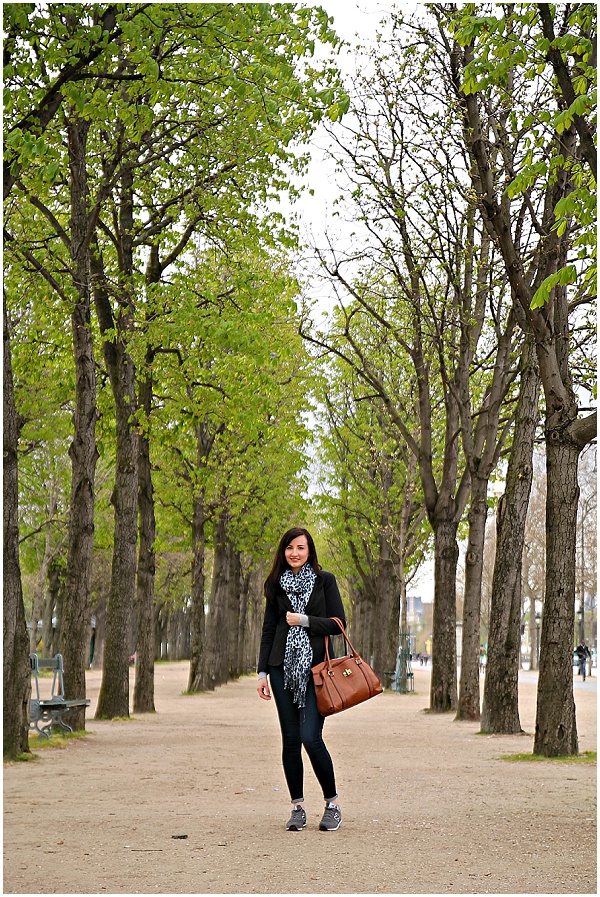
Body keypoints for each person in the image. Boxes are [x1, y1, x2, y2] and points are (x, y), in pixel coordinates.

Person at [257, 526, 346, 832]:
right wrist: (262, 672)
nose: (294, 553)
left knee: (311, 736)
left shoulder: (325, 581)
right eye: (289, 548)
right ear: (283, 552)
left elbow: (338, 624)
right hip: (282, 668)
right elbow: (269, 630)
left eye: (301, 548)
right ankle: (297, 807)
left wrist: (304, 621)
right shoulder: (276, 586)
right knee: (291, 740)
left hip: (315, 671)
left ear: (309, 552)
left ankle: (332, 803)